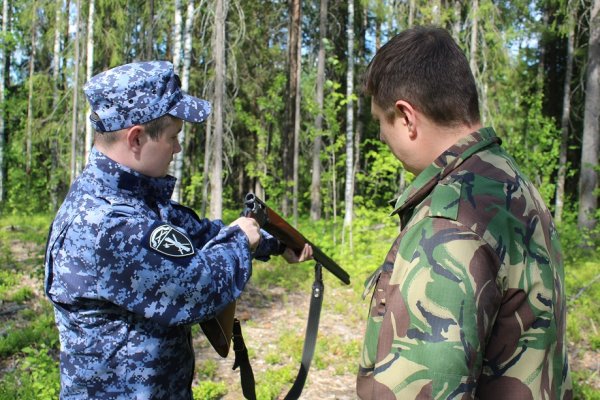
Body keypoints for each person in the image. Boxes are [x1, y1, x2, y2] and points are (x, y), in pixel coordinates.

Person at [44, 60, 312, 399]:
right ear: (137, 138)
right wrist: (242, 241)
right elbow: (199, 287)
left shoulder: (134, 199)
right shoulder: (108, 223)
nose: (178, 148)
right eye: (173, 137)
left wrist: (274, 243)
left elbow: (201, 235)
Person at [357, 26, 572, 400]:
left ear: (407, 117)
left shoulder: (446, 225)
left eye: (382, 121)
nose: (381, 137)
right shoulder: (512, 182)